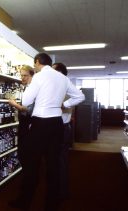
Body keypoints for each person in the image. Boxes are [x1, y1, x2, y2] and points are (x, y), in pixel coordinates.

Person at [11, 53, 85, 211]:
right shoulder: (63, 78)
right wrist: (64, 104)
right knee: (54, 166)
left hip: (40, 124)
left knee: (32, 165)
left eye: (35, 64)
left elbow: (26, 101)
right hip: (57, 124)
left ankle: (25, 202)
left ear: (37, 63)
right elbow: (80, 96)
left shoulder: (39, 76)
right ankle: (52, 205)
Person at [52, 62, 74, 200]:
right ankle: (59, 190)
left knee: (60, 161)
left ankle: (61, 193)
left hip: (61, 128)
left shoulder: (64, 86)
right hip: (60, 127)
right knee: (58, 160)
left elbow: (74, 100)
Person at [8, 65, 34, 166]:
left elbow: (29, 110)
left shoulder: (32, 89)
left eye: (25, 75)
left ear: (31, 75)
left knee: (26, 152)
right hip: (23, 124)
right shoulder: (26, 88)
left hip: (28, 125)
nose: (22, 78)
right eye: (21, 75)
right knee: (23, 152)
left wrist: (14, 105)